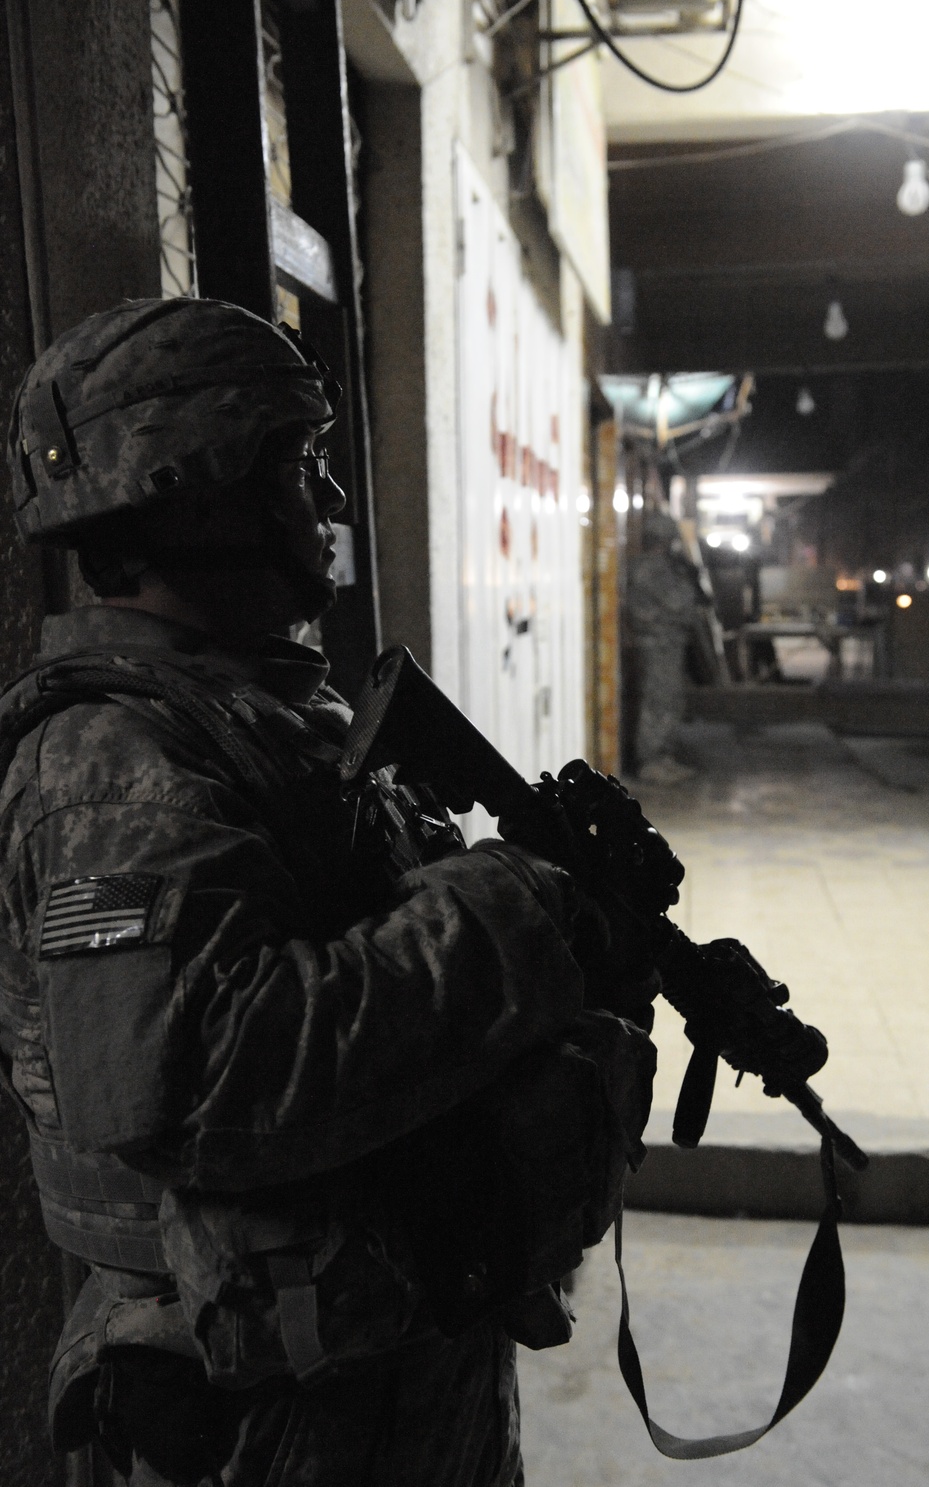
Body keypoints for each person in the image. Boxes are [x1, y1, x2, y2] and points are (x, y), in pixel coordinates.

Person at [0, 298, 654, 1486]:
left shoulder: (250, 718)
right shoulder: (117, 775)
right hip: (255, 1416)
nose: (334, 504)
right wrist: (512, 908)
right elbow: (207, 1080)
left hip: (367, 1373)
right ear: (195, 491)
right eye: (301, 468)